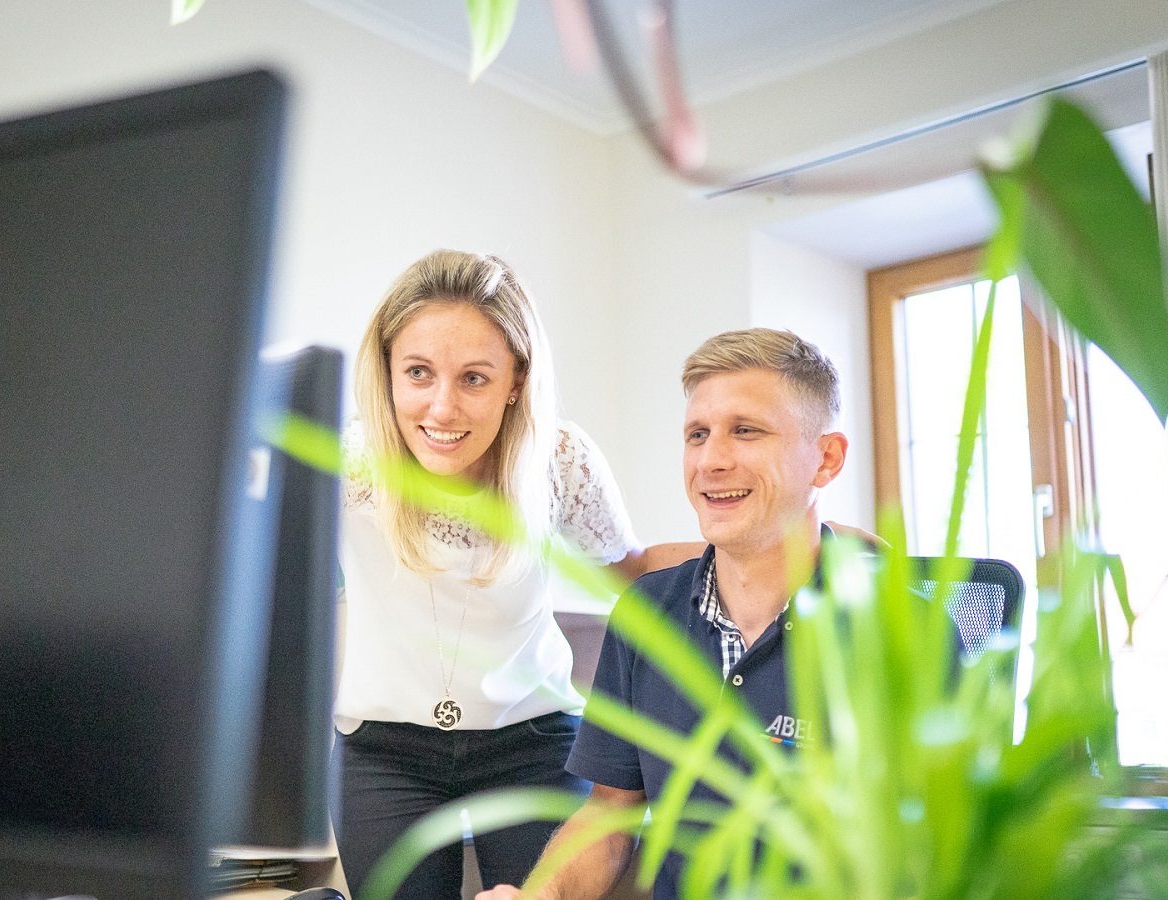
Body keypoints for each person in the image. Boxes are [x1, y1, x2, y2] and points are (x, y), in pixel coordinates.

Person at [334, 249, 701, 900]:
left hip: (533, 742)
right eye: (418, 372)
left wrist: (792, 546)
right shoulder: (349, 463)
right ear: (387, 371)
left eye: (474, 378)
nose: (442, 409)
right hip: (385, 750)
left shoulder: (559, 462)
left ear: (515, 379)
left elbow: (635, 571)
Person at [474, 327, 854, 900]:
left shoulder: (906, 633)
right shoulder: (648, 613)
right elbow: (609, 816)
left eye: (745, 432)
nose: (711, 461)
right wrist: (542, 897)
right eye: (697, 435)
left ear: (825, 459)